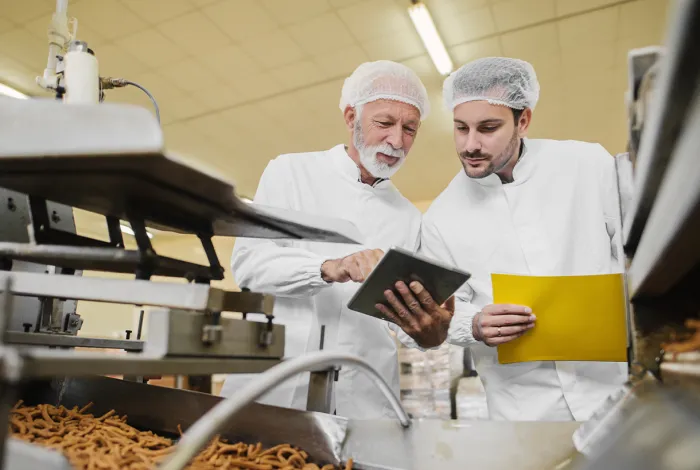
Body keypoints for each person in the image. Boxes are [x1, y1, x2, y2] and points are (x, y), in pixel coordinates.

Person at [379, 57, 627, 421]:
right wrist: (475, 324)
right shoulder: (443, 217)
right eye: (461, 128)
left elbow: (634, 249)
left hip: (612, 390)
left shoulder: (586, 164)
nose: (470, 144)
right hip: (523, 410)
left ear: (522, 121)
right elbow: (438, 308)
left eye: (488, 128)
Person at [220, 61, 451, 419]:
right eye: (385, 123)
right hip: (276, 384)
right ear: (350, 117)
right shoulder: (291, 172)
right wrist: (329, 268)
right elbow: (251, 265)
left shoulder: (408, 217)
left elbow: (401, 324)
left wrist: (429, 330)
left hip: (364, 397)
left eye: (410, 129)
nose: (397, 140)